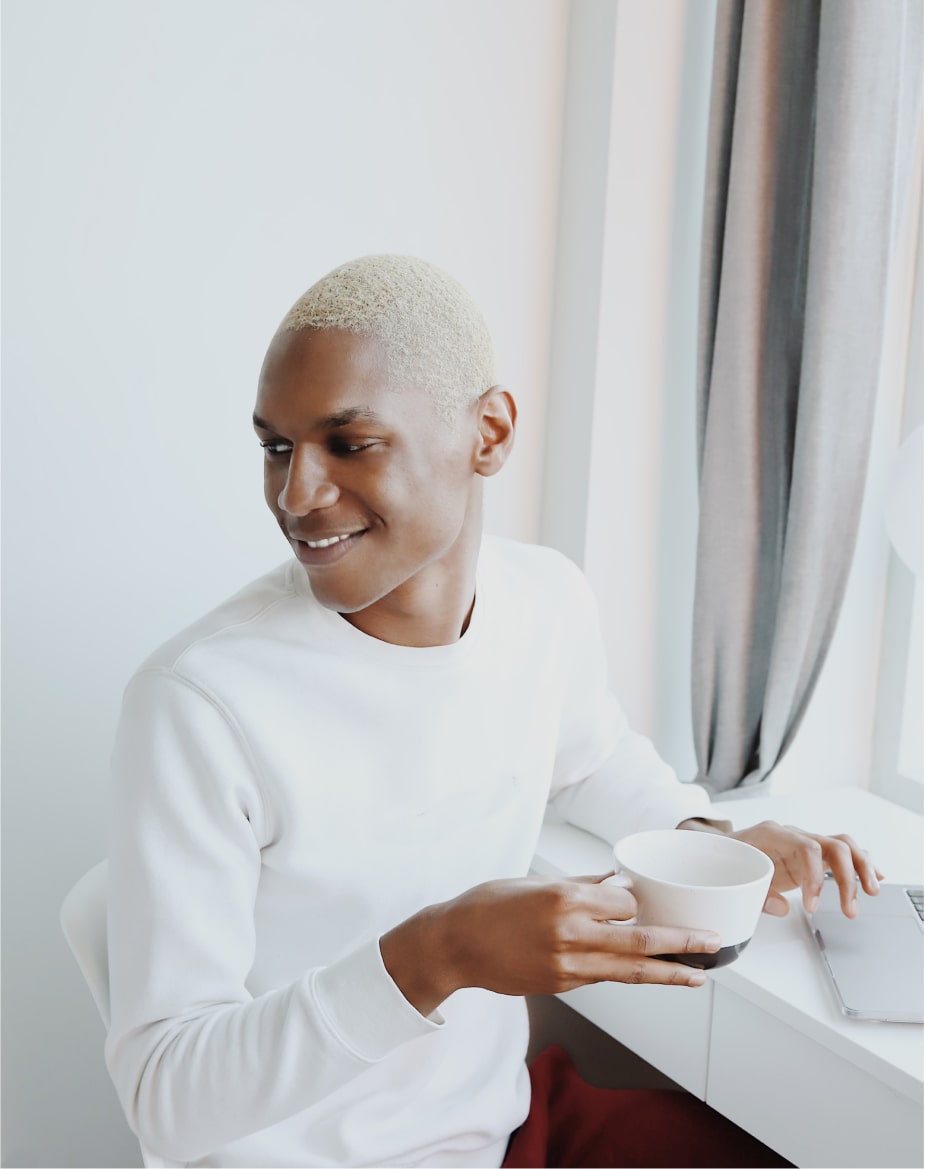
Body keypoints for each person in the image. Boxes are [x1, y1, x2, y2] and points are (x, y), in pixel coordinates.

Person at [104, 254, 882, 1169]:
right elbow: (165, 1097)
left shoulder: (544, 600)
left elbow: (590, 759)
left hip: (503, 1133)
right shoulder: (199, 702)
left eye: (347, 444)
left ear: (489, 431)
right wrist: (438, 953)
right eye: (277, 446)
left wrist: (706, 836)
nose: (294, 494)